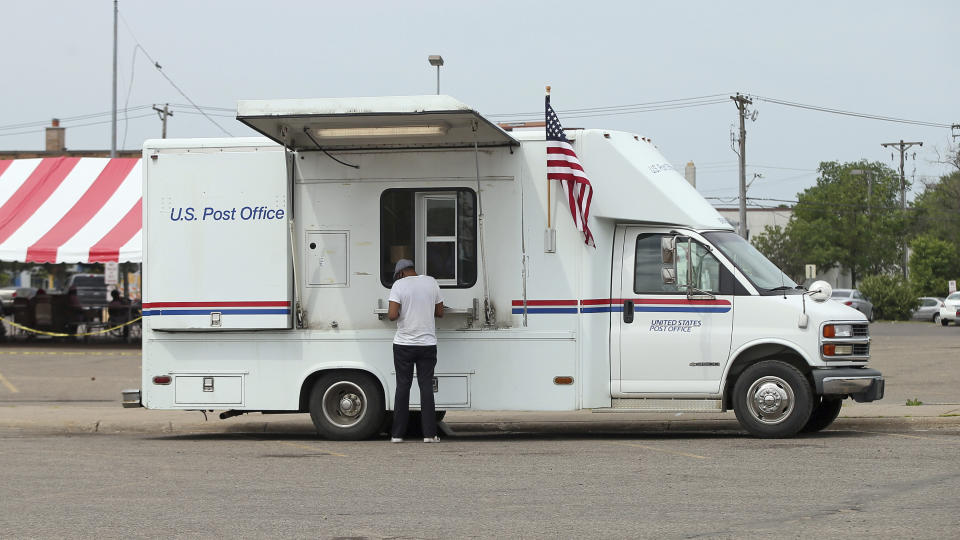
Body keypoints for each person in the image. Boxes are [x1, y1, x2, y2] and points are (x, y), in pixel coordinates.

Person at [387, 259, 444, 443]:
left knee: (403, 387)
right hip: (427, 344)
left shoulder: (398, 285)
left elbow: (392, 315)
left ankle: (397, 435)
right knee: (426, 387)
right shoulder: (431, 282)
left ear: (401, 273)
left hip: (403, 344)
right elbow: (440, 312)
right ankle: (429, 434)